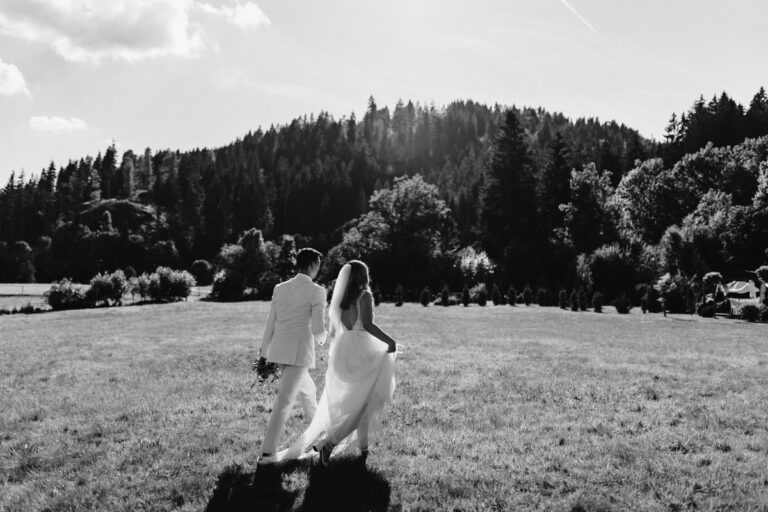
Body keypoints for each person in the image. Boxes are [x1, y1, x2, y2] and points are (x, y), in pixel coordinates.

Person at [275, 260, 397, 466]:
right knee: (364, 405)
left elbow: (335, 329)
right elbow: (368, 324)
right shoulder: (364, 295)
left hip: (344, 350)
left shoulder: (340, 299)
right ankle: (329, 443)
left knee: (359, 402)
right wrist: (390, 341)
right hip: (361, 351)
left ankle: (363, 449)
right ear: (363, 276)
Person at [256, 248, 327, 465]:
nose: (319, 269)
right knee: (284, 402)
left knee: (309, 393)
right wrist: (326, 339)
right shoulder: (317, 291)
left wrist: (264, 354)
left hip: (279, 352)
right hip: (298, 355)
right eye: (319, 264)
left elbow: (270, 324)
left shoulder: (280, 288)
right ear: (313, 264)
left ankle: (320, 437)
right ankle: (267, 453)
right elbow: (317, 328)